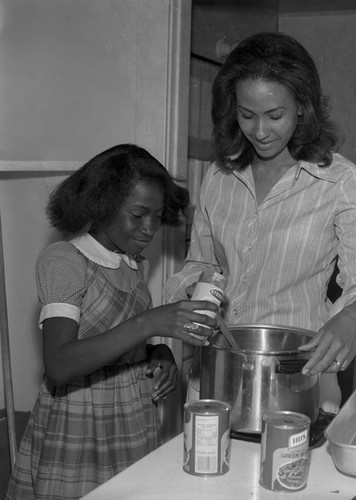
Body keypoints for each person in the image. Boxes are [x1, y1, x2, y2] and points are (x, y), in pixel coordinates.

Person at [163, 32, 356, 411]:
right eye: (247, 115)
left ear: (303, 108)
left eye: (275, 116)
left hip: (297, 380)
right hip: (216, 371)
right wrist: (191, 294)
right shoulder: (219, 176)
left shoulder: (340, 181)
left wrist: (354, 319)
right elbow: (201, 265)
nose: (260, 131)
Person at [6, 144, 219, 500]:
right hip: (80, 423)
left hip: (132, 417)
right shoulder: (65, 261)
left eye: (157, 215)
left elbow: (121, 335)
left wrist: (157, 353)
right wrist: (149, 325)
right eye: (138, 215)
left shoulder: (134, 265)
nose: (150, 228)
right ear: (101, 206)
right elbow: (59, 364)